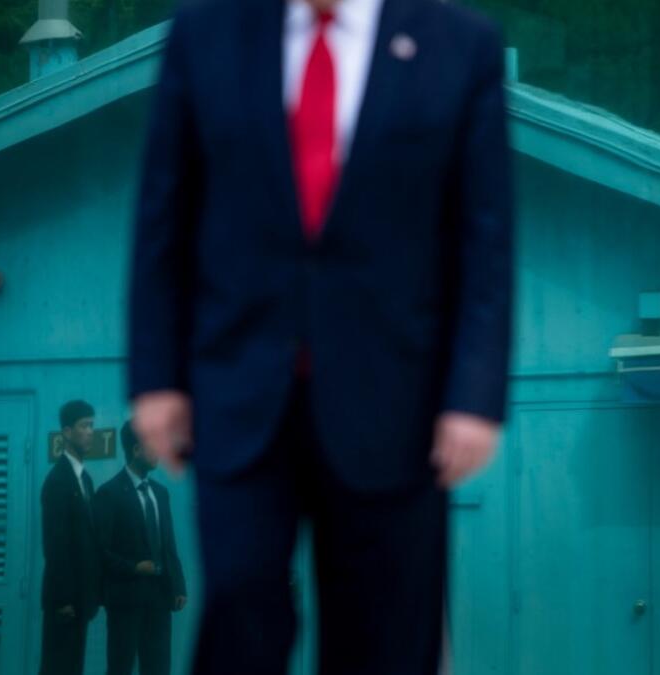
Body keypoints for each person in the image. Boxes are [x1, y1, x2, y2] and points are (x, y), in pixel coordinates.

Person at [127, 0, 513, 671]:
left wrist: (474, 391)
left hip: (396, 402)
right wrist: (156, 377)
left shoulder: (461, 45)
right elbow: (166, 210)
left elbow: (484, 237)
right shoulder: (205, 34)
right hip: (241, 391)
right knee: (240, 611)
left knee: (386, 639)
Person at [93, 420, 187, 675]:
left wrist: (178, 585)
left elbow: (169, 544)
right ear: (136, 450)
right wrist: (134, 567)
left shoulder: (161, 492)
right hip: (125, 599)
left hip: (160, 597)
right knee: (121, 667)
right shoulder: (109, 493)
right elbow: (99, 552)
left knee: (158, 667)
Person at [39, 400, 103, 675]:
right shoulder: (57, 481)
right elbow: (55, 544)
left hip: (81, 597)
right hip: (64, 601)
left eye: (92, 426)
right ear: (66, 432)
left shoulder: (85, 479)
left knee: (73, 666)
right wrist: (64, 598)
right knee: (58, 667)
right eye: (84, 426)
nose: (91, 432)